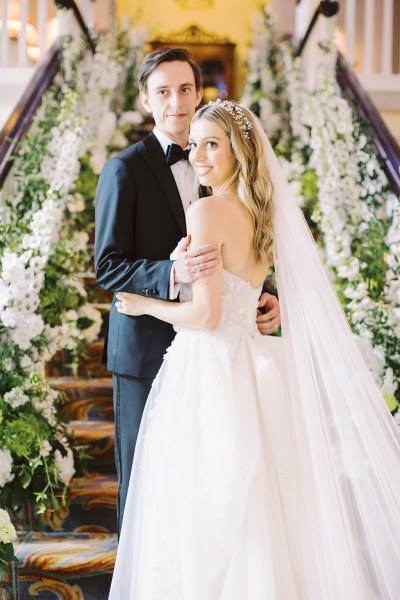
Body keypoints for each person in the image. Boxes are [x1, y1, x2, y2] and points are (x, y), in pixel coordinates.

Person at [109, 101, 400, 599]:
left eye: (211, 144)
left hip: (208, 371)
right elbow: (242, 294)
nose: (197, 155)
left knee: (201, 511)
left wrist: (143, 305)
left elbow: (207, 316)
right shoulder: (261, 213)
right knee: (260, 508)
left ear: (239, 150)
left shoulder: (207, 210)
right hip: (251, 363)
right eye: (194, 143)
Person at [94, 48, 281, 534]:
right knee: (145, 487)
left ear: (199, 94)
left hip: (211, 350)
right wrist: (173, 273)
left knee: (206, 488)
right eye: (163, 92)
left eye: (184, 90)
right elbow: (106, 267)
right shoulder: (123, 169)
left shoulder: (222, 168)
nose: (175, 102)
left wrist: (266, 293)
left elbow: (240, 247)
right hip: (145, 349)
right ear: (145, 100)